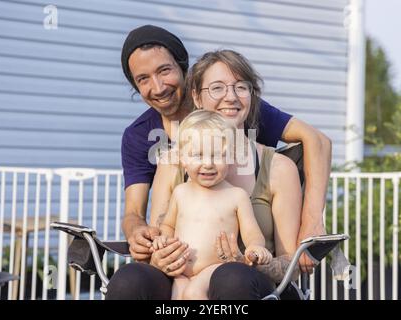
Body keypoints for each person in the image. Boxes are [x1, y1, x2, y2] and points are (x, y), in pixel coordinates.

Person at [106, 25, 331, 300]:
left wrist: (260, 258)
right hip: (182, 280)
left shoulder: (278, 168)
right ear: (197, 97)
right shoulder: (171, 160)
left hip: (251, 285)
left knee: (231, 277)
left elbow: (289, 265)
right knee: (129, 280)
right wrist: (158, 256)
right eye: (216, 88)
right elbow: (153, 230)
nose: (231, 97)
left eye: (241, 88)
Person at [151, 110, 272, 300]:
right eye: (198, 155)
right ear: (183, 159)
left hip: (215, 268)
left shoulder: (236, 196)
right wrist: (163, 240)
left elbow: (251, 232)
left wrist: (254, 248)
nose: (208, 164)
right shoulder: (181, 192)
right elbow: (168, 225)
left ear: (231, 158)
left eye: (217, 156)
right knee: (178, 296)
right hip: (181, 270)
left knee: (193, 294)